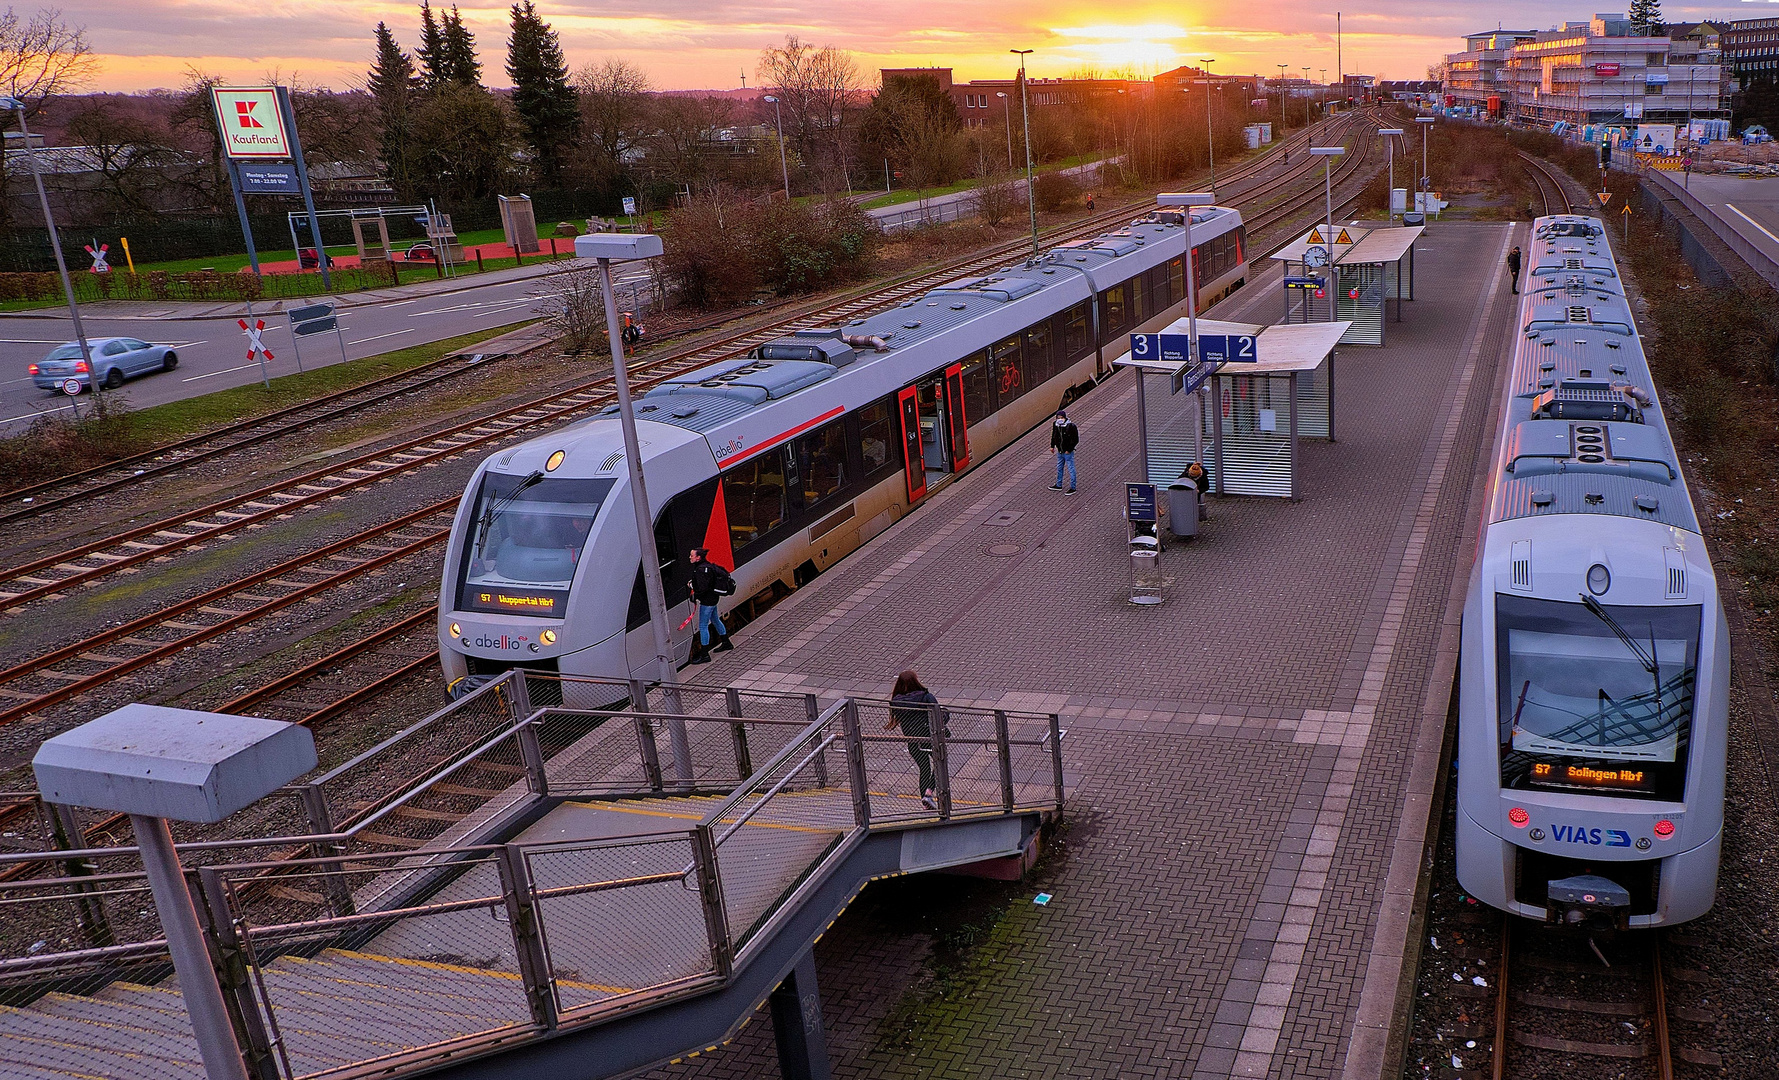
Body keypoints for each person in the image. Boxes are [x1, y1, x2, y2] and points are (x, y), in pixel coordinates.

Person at [887, 670, 940, 809]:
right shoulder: (925, 697)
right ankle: (929, 793)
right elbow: (938, 715)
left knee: (924, 769)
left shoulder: (896, 702)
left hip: (912, 741)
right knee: (940, 762)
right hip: (928, 737)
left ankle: (926, 802)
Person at [685, 547, 735, 664]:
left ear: (698, 558)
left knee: (703, 626)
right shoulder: (708, 566)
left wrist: (692, 586)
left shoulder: (701, 570)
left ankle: (705, 654)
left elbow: (702, 588)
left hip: (707, 601)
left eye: (692, 556)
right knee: (715, 620)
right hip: (713, 599)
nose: (690, 558)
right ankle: (726, 642)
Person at [1050, 409, 1079, 494]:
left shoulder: (1071, 426)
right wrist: (1052, 446)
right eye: (1058, 417)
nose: (1059, 419)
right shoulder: (1056, 425)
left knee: (1071, 468)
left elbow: (1075, 439)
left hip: (1067, 452)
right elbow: (1054, 435)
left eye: (1061, 417)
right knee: (1059, 468)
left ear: (1065, 418)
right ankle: (1059, 485)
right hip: (1060, 451)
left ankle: (1073, 487)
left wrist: (1069, 449)